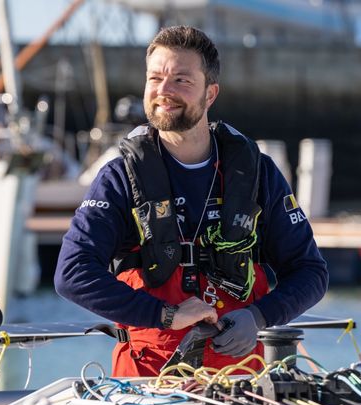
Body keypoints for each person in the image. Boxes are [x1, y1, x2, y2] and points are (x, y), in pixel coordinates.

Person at [55, 25, 328, 377]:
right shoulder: (120, 177)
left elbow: (311, 272)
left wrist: (259, 316)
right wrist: (166, 315)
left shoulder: (257, 173)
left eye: (181, 80)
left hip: (244, 381)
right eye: (155, 78)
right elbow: (72, 273)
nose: (164, 91)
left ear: (210, 94)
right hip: (148, 384)